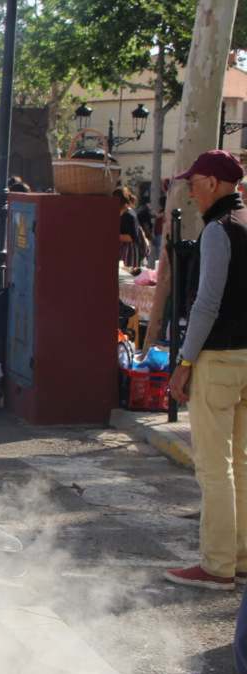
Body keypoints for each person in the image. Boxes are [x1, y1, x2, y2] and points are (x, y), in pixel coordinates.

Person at [163, 149, 247, 591]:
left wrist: (184, 363)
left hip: (218, 360)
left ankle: (217, 566)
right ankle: (240, 557)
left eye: (194, 182)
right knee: (243, 464)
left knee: (216, 469)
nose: (191, 191)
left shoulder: (219, 231)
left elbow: (207, 304)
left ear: (213, 183)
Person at [115, 186, 149, 274]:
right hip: (126, 251)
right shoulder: (125, 213)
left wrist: (112, 235)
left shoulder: (128, 215)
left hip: (130, 253)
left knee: (129, 276)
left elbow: (131, 237)